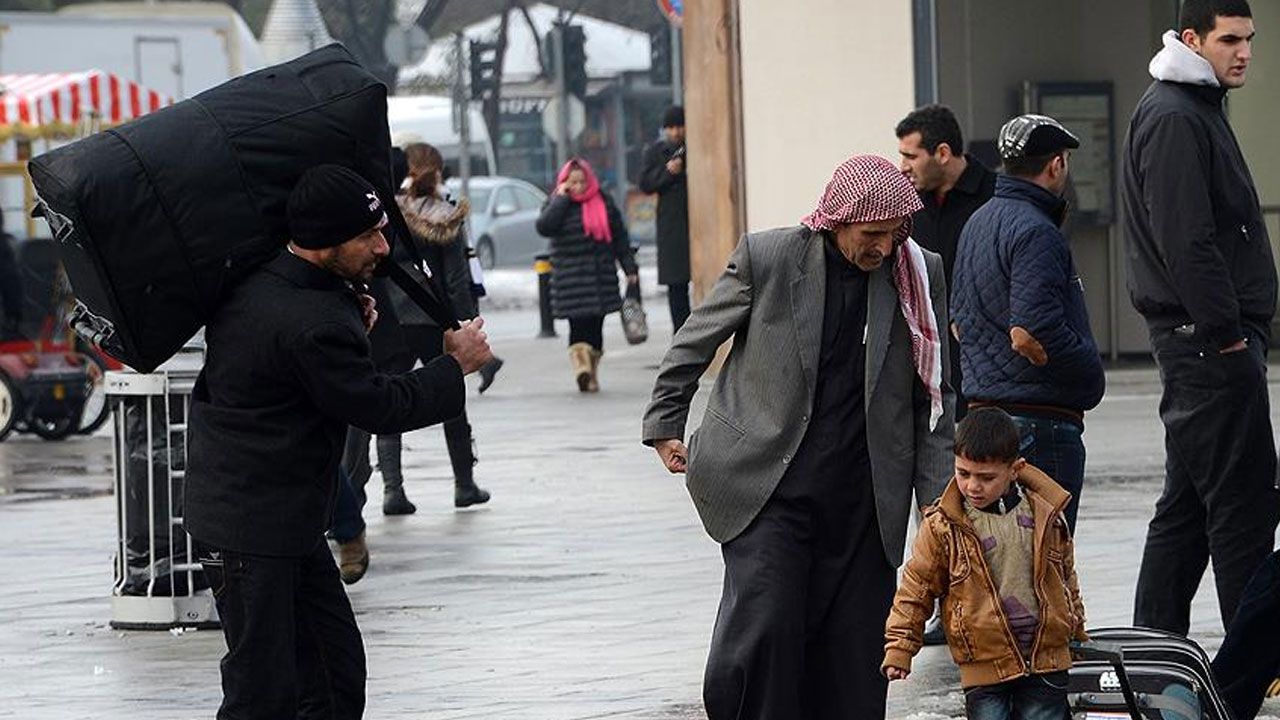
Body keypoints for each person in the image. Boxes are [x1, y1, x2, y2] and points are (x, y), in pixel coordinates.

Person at [642, 154, 954, 719]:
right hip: (769, 487)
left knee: (855, 652)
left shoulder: (916, 272)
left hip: (864, 499)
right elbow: (695, 341)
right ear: (838, 220)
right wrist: (665, 422)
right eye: (871, 234)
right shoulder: (770, 257)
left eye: (893, 234)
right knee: (766, 626)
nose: (883, 247)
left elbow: (933, 398)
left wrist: (937, 508)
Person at [184, 164, 493, 719]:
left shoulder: (276, 284)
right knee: (264, 692)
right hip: (251, 527)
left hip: (284, 520)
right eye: (367, 236)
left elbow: (295, 369)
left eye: (381, 229)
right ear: (325, 241)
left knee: (333, 674)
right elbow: (378, 405)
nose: (382, 246)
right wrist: (453, 366)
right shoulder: (311, 318)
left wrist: (351, 319)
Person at [1122, 0, 1278, 635]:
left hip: (1205, 340)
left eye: (1249, 40)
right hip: (1208, 342)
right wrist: (1228, 335)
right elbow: (1187, 240)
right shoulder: (1175, 115)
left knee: (1185, 510)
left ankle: (1152, 650)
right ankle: (1256, 661)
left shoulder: (1193, 106)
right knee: (1242, 507)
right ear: (1192, 39)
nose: (1243, 52)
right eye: (1230, 40)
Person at [951, 114, 1104, 534]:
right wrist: (1089, 371)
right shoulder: (1038, 231)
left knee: (996, 562)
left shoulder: (977, 223)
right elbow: (1030, 333)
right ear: (1056, 164)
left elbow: (958, 326)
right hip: (1040, 423)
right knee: (1044, 563)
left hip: (985, 418)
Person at [883, 408, 1088, 720]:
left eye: (986, 477)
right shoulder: (944, 526)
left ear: (1015, 469)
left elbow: (1065, 577)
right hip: (984, 664)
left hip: (1046, 659)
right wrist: (900, 647)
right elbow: (916, 588)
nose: (973, 486)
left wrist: (1076, 630)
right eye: (963, 474)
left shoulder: (1045, 515)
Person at [373, 142, 492, 513]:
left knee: (385, 401)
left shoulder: (387, 214)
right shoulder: (447, 217)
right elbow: (456, 280)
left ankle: (393, 491)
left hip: (393, 319)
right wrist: (462, 324)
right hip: (432, 320)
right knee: (450, 398)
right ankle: (464, 484)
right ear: (437, 172)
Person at [896, 103, 997, 421]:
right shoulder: (906, 206)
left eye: (911, 156)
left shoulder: (996, 198)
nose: (903, 167)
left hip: (985, 370)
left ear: (942, 153)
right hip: (923, 367)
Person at [536, 158, 638, 392]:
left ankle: (590, 370)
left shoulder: (603, 201)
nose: (579, 187)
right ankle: (582, 369)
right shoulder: (556, 202)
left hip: (599, 277)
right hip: (570, 279)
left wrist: (629, 268)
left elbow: (620, 237)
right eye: (573, 182)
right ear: (564, 182)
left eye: (582, 181)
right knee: (577, 326)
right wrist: (561, 199)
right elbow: (544, 226)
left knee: (595, 328)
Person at [639, 105, 691, 331]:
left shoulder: (694, 149)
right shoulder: (655, 153)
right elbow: (646, 184)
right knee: (676, 286)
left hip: (694, 223)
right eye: (670, 127)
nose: (676, 132)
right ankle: (680, 333)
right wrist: (669, 172)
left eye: (679, 126)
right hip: (671, 226)